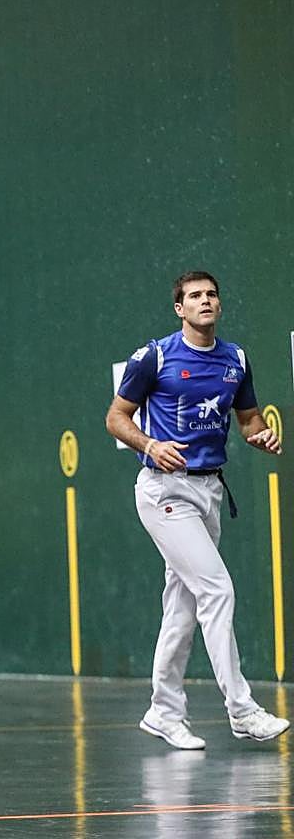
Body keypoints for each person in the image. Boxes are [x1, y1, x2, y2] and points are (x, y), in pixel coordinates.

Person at [106, 270, 289, 750]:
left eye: (211, 295)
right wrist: (150, 443)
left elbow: (247, 420)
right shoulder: (156, 356)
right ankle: (242, 710)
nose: (204, 301)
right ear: (179, 309)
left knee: (183, 606)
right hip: (164, 490)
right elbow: (115, 417)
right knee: (216, 589)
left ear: (219, 306)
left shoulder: (236, 360)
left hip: (208, 492)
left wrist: (260, 435)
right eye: (194, 296)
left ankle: (164, 711)